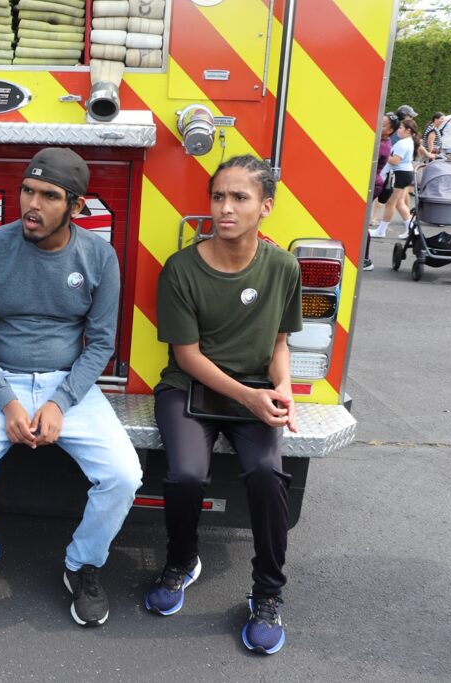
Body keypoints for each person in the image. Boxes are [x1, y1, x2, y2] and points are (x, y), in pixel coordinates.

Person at [0, 147, 142, 626]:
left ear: (75, 207)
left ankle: (83, 565)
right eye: (28, 191)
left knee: (124, 475)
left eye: (49, 196)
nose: (32, 204)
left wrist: (60, 401)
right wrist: (8, 402)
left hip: (68, 385)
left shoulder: (98, 256)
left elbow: (101, 345)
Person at [143, 155, 302, 656]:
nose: (225, 209)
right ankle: (181, 561)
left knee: (266, 476)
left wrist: (283, 388)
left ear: (266, 207)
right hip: (188, 389)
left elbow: (279, 343)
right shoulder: (181, 269)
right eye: (218, 197)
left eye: (240, 198)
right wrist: (251, 397)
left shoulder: (283, 267)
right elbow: (186, 357)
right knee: (186, 474)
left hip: (254, 390)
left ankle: (268, 593)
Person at [375, 118, 419, 240]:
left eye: (400, 128)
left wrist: (385, 153)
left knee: (391, 203)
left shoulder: (403, 143)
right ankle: (412, 231)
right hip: (404, 173)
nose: (398, 130)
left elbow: (395, 161)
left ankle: (381, 230)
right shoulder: (407, 141)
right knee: (399, 204)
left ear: (408, 130)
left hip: (401, 174)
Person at [365, 115, 395, 269]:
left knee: (361, 222)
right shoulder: (381, 141)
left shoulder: (381, 146)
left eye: (383, 125)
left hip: (372, 184)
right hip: (373, 183)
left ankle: (365, 259)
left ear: (390, 131)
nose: (378, 125)